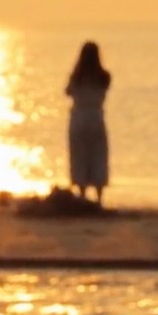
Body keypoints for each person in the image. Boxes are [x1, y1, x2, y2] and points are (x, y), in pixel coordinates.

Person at [65, 41, 112, 204]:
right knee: (98, 155)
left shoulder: (76, 77)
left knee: (80, 154)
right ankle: (99, 197)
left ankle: (82, 192)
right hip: (96, 116)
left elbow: (68, 91)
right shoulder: (104, 77)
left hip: (79, 116)